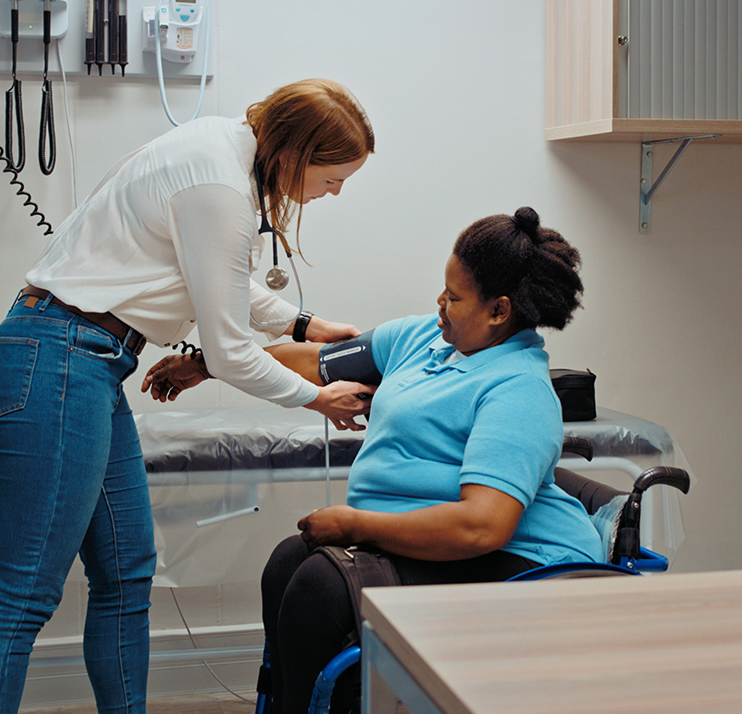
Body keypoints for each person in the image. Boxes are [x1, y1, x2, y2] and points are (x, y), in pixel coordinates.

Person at [0, 78, 376, 714]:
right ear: (293, 155)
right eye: (334, 177)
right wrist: (319, 400)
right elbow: (229, 351)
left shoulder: (219, 150)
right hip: (62, 359)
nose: (335, 192)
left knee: (126, 574)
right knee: (26, 591)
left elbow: (212, 274)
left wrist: (303, 325)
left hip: (86, 361)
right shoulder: (220, 187)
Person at [144, 206, 605, 714]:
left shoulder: (519, 389)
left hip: (525, 566)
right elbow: (314, 364)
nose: (440, 304)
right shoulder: (423, 339)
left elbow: (482, 527)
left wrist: (356, 524)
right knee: (287, 564)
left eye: (454, 298)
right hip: (443, 539)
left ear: (499, 311)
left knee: (322, 586)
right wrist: (208, 366)